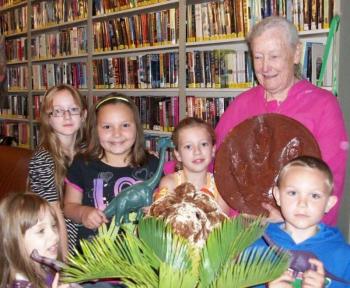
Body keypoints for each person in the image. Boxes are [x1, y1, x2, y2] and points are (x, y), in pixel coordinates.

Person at [215, 16, 348, 225]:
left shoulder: (323, 106)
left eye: (274, 56)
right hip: (237, 233)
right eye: (258, 57)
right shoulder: (241, 105)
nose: (265, 67)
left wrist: (288, 221)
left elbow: (331, 181)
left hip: (295, 235)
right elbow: (214, 162)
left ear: (296, 53)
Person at [64, 94, 159, 243]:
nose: (117, 133)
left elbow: (166, 202)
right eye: (107, 126)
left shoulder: (152, 164)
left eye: (125, 125)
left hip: (141, 257)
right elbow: (69, 207)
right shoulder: (82, 164)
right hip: (94, 255)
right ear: (95, 130)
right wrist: (83, 213)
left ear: (137, 127)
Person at [252, 156, 350, 288]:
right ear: (278, 196)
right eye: (293, 193)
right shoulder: (254, 247)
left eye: (314, 196)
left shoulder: (343, 257)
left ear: (329, 203)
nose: (302, 204)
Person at [29, 84, 87, 257]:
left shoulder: (86, 151)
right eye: (58, 111)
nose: (67, 116)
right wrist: (67, 266)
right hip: (57, 238)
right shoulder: (42, 159)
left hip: (86, 230)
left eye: (73, 109)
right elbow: (54, 216)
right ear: (48, 118)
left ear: (83, 115)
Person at [154, 117, 230, 214]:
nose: (197, 151)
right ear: (178, 155)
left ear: (213, 150)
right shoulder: (170, 184)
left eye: (203, 144)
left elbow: (222, 225)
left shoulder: (220, 187)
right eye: (188, 146)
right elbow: (162, 221)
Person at [0, 193, 72, 287]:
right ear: (15, 241)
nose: (55, 236)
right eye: (41, 231)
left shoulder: (44, 268)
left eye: (53, 225)